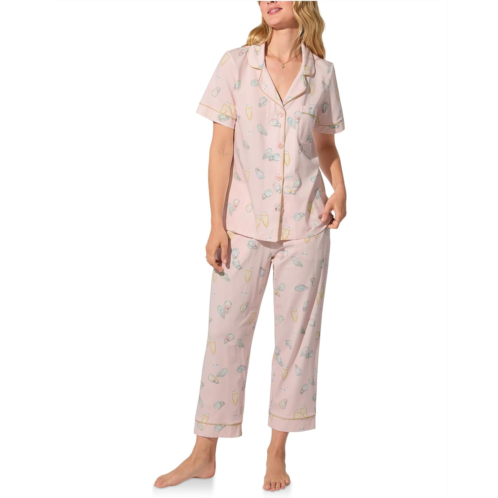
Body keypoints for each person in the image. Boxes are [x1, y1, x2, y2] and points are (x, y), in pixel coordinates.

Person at [155, 1, 347, 491]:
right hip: (241, 225)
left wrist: (341, 188)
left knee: (296, 343)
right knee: (225, 335)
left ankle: (276, 451)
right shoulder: (235, 65)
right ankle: (204, 454)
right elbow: (221, 148)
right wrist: (215, 224)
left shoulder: (322, 74)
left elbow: (325, 144)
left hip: (306, 224)